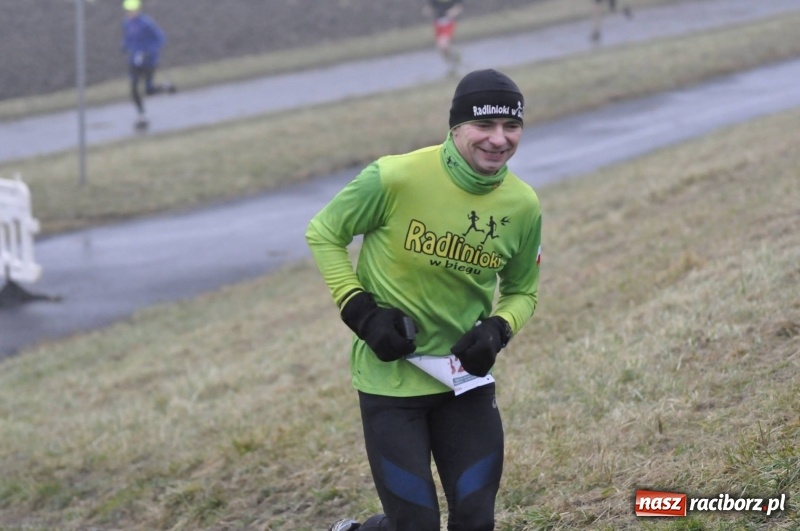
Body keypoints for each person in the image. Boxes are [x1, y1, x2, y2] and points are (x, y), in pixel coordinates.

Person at [306, 69, 542, 531]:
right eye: (484, 126)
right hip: (389, 384)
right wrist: (361, 313)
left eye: (511, 127)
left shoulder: (523, 205)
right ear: (455, 127)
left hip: (463, 384)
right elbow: (324, 232)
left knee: (475, 521)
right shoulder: (395, 177)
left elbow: (522, 291)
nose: (498, 140)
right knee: (414, 526)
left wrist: (499, 329)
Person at [121, 0, 176, 129]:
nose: (130, 13)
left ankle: (165, 87)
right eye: (128, 10)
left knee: (148, 90)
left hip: (149, 60)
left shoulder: (146, 22)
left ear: (138, 9)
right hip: (134, 60)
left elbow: (160, 38)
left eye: (132, 10)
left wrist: (149, 52)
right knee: (133, 88)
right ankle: (142, 116)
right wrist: (124, 47)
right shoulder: (126, 23)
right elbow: (128, 39)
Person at [425, 0, 464, 75]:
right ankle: (451, 65)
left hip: (449, 21)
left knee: (443, 44)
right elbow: (430, 7)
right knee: (441, 48)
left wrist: (455, 10)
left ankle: (455, 60)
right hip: (438, 23)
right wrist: (429, 11)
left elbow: (460, 4)